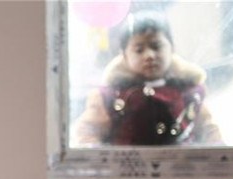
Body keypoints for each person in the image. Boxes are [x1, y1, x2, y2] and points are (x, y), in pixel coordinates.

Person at [71, 10, 222, 146]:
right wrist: (97, 156)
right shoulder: (110, 96)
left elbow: (208, 130)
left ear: (172, 49)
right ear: (124, 56)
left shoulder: (189, 92)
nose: (149, 55)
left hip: (179, 165)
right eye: (139, 50)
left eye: (156, 46)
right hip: (126, 166)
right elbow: (88, 131)